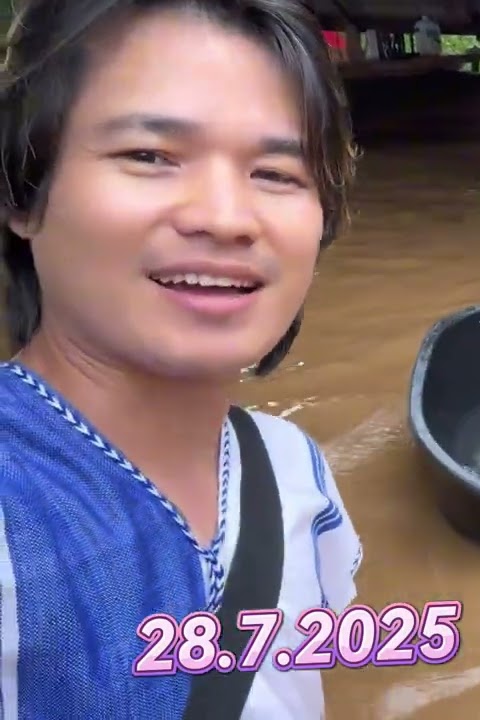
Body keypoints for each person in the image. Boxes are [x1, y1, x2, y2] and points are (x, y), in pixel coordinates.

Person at [0, 1, 361, 717]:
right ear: (22, 193)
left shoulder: (297, 471)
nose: (225, 218)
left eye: (276, 173)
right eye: (149, 156)